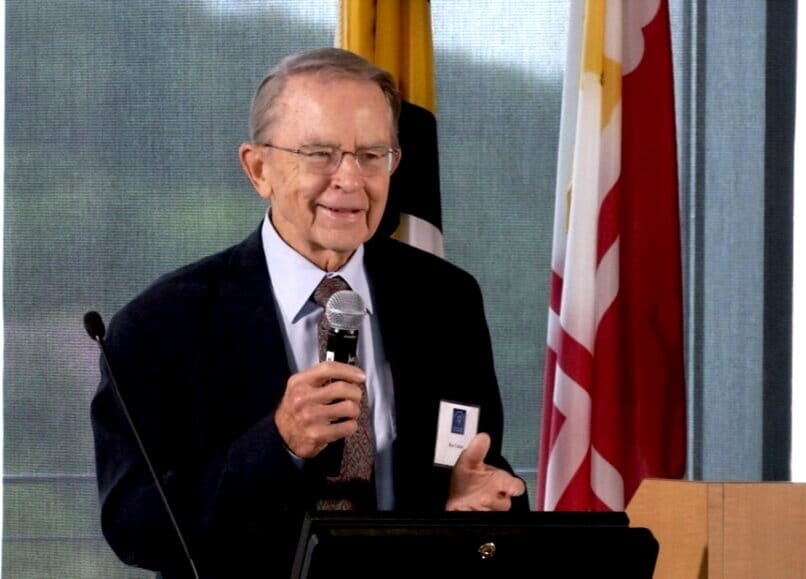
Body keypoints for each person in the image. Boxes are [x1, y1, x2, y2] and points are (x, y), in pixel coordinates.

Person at [90, 47, 528, 579]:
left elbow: (476, 468)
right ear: (258, 169)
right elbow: (135, 527)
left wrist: (475, 506)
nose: (350, 179)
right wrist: (278, 442)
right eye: (320, 154)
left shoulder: (445, 299)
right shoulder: (161, 325)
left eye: (371, 155)